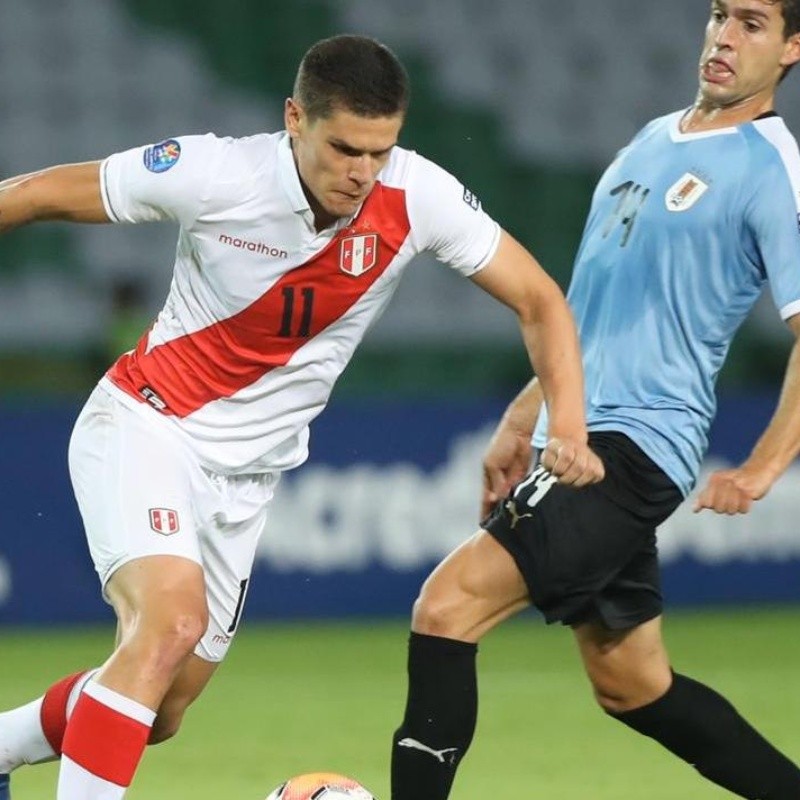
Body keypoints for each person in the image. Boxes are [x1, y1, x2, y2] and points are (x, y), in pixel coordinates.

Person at [0, 34, 603, 800]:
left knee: (162, 708)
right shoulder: (215, 173)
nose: (363, 172)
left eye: (381, 151)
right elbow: (31, 194)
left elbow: (541, 299)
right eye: (346, 148)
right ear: (295, 118)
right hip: (148, 425)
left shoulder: (416, 198)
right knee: (167, 627)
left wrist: (570, 427)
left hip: (247, 476)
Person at [390, 1, 800, 798]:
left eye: (752, 23)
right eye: (718, 14)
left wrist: (764, 464)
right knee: (632, 683)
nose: (722, 36)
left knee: (446, 609)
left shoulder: (772, 168)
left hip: (634, 447)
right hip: (579, 433)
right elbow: (584, 310)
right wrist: (524, 416)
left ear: (793, 47)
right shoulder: (649, 141)